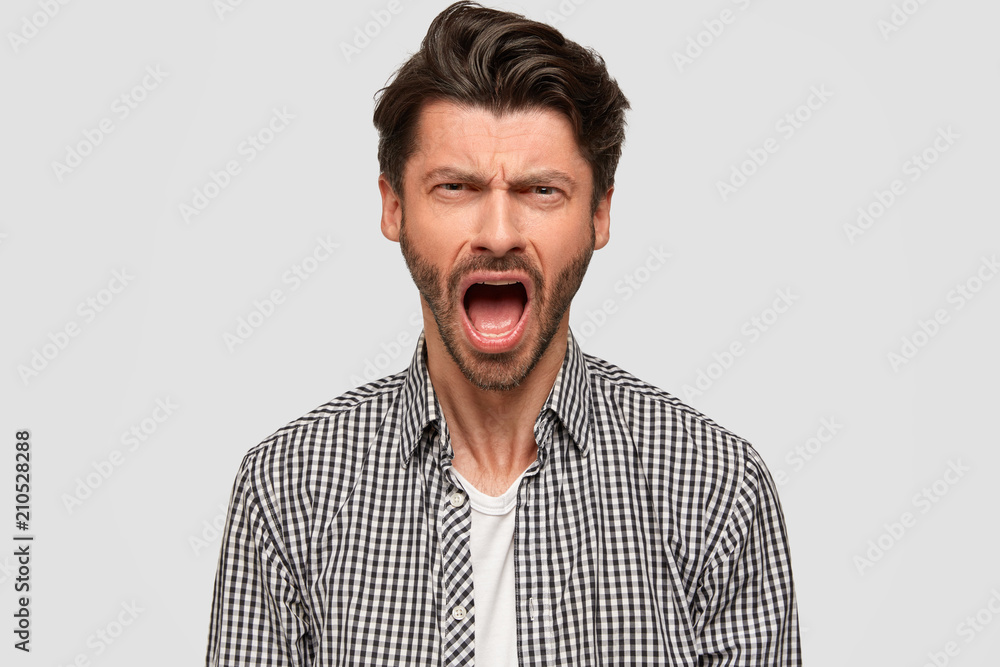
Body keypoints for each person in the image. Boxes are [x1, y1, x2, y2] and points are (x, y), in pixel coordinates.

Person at [205, 2, 800, 665]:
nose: (496, 233)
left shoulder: (715, 487)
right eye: (455, 187)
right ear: (393, 206)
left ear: (600, 213)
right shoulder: (288, 488)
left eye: (541, 191)